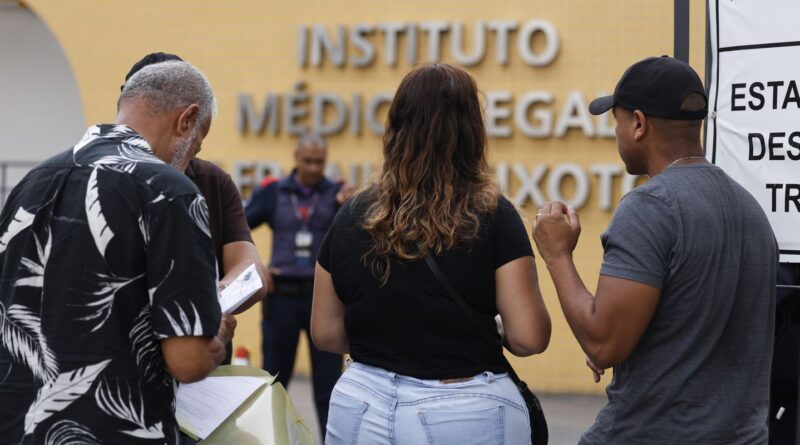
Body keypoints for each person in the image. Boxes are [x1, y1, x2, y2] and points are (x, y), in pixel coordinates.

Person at [533, 56, 777, 444]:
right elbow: (692, 323)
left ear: (639, 124)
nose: (616, 133)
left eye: (616, 120)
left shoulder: (650, 207)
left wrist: (557, 254)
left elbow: (603, 343)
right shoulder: (749, 209)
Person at [311, 63, 551, 444]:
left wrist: (391, 337)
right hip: (466, 410)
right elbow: (529, 337)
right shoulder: (495, 216)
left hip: (361, 406)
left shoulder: (352, 216)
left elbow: (325, 332)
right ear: (472, 131)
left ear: (395, 127)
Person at [0, 61, 235, 444]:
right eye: (198, 142)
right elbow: (188, 361)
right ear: (187, 119)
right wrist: (217, 337)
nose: (193, 158)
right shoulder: (170, 191)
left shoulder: (32, 182)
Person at [123, 52, 267, 322]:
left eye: (195, 146)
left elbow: (252, 271)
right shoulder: (103, 180)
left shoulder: (212, 181)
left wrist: (213, 303)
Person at [244, 132, 352, 432]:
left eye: (320, 162)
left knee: (328, 385)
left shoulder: (337, 194)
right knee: (274, 381)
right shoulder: (274, 192)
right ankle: (267, 438)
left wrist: (349, 207)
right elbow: (237, 227)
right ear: (296, 157)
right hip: (282, 298)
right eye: (308, 161)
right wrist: (256, 267)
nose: (314, 168)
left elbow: (354, 239)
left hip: (323, 300)